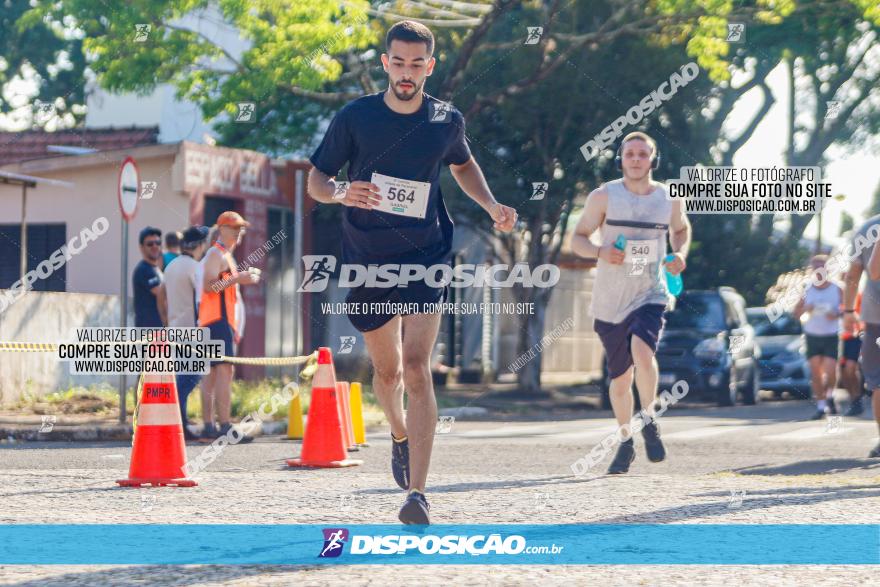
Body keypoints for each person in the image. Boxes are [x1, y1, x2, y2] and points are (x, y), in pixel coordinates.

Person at [307, 20, 517, 524]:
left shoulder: (445, 120)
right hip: (368, 258)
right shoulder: (355, 117)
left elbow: (462, 164)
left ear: (431, 65)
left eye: (416, 64)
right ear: (385, 63)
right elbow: (317, 179)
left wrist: (490, 204)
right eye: (398, 62)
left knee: (419, 367)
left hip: (426, 254)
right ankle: (398, 433)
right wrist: (340, 192)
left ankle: (417, 494)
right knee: (388, 371)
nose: (406, 72)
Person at [571, 131, 691, 475]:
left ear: (653, 160)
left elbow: (681, 231)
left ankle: (649, 418)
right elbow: (578, 238)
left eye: (642, 154)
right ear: (621, 160)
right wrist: (600, 251)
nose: (636, 159)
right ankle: (625, 441)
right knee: (621, 379)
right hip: (609, 300)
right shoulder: (603, 196)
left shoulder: (668, 199)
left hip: (650, 292)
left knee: (643, 350)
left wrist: (679, 254)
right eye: (630, 154)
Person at [198, 212, 260, 439]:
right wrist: (237, 278)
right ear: (222, 228)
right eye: (235, 227)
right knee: (224, 371)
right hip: (217, 321)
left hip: (216, 321)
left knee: (213, 374)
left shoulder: (223, 254)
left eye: (241, 228)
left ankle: (209, 425)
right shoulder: (217, 253)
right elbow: (208, 286)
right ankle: (223, 425)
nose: (239, 232)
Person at [163, 225, 210, 440]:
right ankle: (176, 420)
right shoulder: (195, 267)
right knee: (190, 376)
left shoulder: (171, 266)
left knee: (182, 375)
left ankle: (179, 421)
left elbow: (161, 298)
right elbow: (201, 300)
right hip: (191, 330)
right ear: (199, 245)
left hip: (174, 328)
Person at [846, 218, 880, 456]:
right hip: (874, 315)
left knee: (878, 381)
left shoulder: (868, 227)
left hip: (874, 315)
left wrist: (848, 310)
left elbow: (856, 273)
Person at [793, 255, 842, 420]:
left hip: (831, 334)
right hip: (812, 334)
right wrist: (806, 308)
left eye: (822, 267)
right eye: (815, 267)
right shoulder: (807, 289)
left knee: (830, 370)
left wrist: (835, 315)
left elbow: (846, 311)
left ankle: (830, 396)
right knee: (816, 372)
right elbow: (796, 313)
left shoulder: (837, 288)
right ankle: (821, 407)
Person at [132, 226, 167, 328]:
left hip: (157, 331)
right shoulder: (144, 269)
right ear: (141, 247)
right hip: (148, 332)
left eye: (158, 243)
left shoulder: (155, 269)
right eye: (150, 244)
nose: (155, 246)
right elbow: (162, 294)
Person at [839, 291, 865, 416]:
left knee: (851, 368)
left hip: (854, 337)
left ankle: (858, 398)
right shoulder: (836, 294)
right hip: (838, 339)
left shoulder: (858, 295)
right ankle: (853, 399)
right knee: (843, 372)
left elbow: (863, 315)